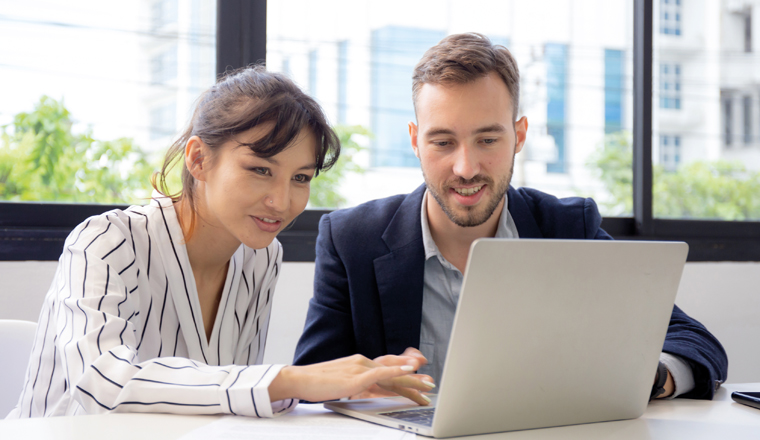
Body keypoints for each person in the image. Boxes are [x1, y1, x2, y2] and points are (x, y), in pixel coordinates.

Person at [293, 33, 728, 400]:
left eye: (487, 140)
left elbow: (697, 345)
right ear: (415, 141)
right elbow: (308, 381)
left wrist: (643, 377)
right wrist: (355, 384)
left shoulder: (568, 230)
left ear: (519, 135)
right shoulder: (351, 239)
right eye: (443, 142)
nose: (466, 167)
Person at [8, 65, 434, 419]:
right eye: (260, 169)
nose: (282, 201)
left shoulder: (261, 256)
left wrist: (340, 390)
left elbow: (225, 402)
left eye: (300, 178)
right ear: (198, 159)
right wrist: (290, 379)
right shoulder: (106, 241)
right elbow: (100, 384)